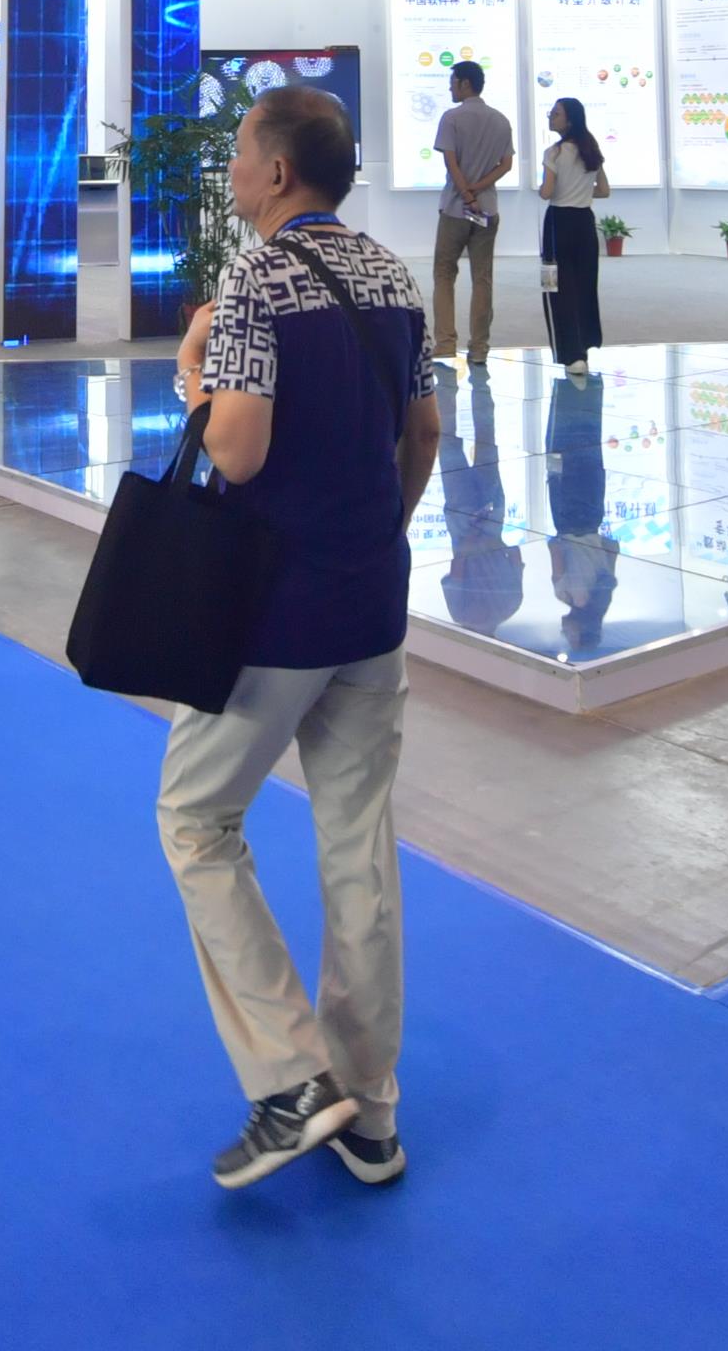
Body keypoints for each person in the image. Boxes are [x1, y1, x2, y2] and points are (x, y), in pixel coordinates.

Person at [163, 84, 439, 1192]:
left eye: (241, 151)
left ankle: (290, 1077)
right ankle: (372, 1112)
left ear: (278, 172)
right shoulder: (393, 276)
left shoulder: (257, 278)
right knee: (358, 844)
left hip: (273, 610)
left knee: (195, 819)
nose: (233, 169)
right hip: (372, 604)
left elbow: (236, 450)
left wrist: (192, 374)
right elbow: (421, 431)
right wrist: (379, 534)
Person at [429, 59, 514, 369]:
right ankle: (479, 348)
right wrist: (478, 189)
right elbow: (506, 165)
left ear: (465, 84)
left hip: (455, 207)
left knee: (444, 273)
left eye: (453, 82)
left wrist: (465, 193)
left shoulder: (452, 118)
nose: (450, 88)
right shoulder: (501, 120)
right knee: (483, 278)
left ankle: (445, 343)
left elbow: (450, 162)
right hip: (487, 208)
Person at [537, 96, 610, 374]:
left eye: (555, 114)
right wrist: (580, 191)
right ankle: (585, 345)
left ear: (569, 120)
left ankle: (570, 353)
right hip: (584, 221)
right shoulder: (591, 150)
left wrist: (554, 189)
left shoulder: (554, 153)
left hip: (558, 222)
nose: (550, 117)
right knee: (584, 284)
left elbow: (547, 192)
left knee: (556, 286)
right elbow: (603, 190)